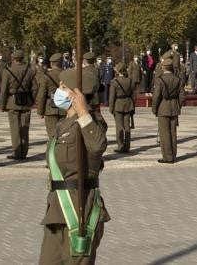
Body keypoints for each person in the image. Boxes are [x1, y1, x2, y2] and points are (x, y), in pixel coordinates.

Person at [39, 75, 110, 263]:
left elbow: (97, 146)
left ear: (76, 94)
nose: (58, 90)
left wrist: (83, 113)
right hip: (57, 210)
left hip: (80, 210)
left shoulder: (92, 121)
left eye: (63, 87)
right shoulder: (62, 124)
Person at [0, 49, 36, 160]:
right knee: (25, 128)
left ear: (13, 59)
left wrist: (2, 104)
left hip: (13, 100)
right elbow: (34, 88)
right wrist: (32, 100)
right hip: (26, 101)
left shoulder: (7, 71)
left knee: (15, 128)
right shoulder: (29, 71)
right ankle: (24, 151)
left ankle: (16, 151)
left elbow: (4, 89)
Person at [150, 56, 185, 163]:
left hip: (163, 107)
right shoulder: (178, 79)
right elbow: (182, 96)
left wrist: (154, 109)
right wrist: (178, 105)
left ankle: (167, 157)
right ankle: (173, 155)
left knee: (164, 133)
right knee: (173, 132)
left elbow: (156, 97)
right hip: (174, 107)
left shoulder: (159, 80)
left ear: (163, 68)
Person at [37, 53, 66, 140]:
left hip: (50, 108)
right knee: (64, 134)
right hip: (65, 106)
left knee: (53, 136)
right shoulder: (67, 75)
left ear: (51, 63)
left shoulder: (46, 76)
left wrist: (40, 111)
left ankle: (53, 153)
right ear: (61, 62)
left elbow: (41, 95)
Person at [107, 63, 135, 152]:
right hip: (128, 104)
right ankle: (127, 146)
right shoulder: (130, 81)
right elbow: (133, 95)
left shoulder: (114, 82)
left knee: (119, 126)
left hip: (118, 104)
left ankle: (120, 145)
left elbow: (112, 96)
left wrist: (111, 108)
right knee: (127, 126)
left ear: (118, 70)